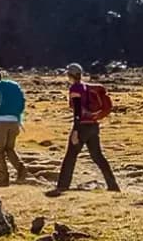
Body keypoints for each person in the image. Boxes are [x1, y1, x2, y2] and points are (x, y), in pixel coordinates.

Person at [49, 63, 119, 196]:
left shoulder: (75, 88)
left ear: (70, 75)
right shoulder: (87, 87)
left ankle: (63, 185)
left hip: (81, 126)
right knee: (98, 156)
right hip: (93, 125)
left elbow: (77, 111)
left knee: (70, 156)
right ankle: (113, 185)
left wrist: (75, 131)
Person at [0, 68, 28, 186]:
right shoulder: (14, 86)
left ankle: (4, 178)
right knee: (10, 149)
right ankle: (21, 169)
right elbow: (21, 105)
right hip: (14, 121)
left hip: (2, 122)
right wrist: (19, 122)